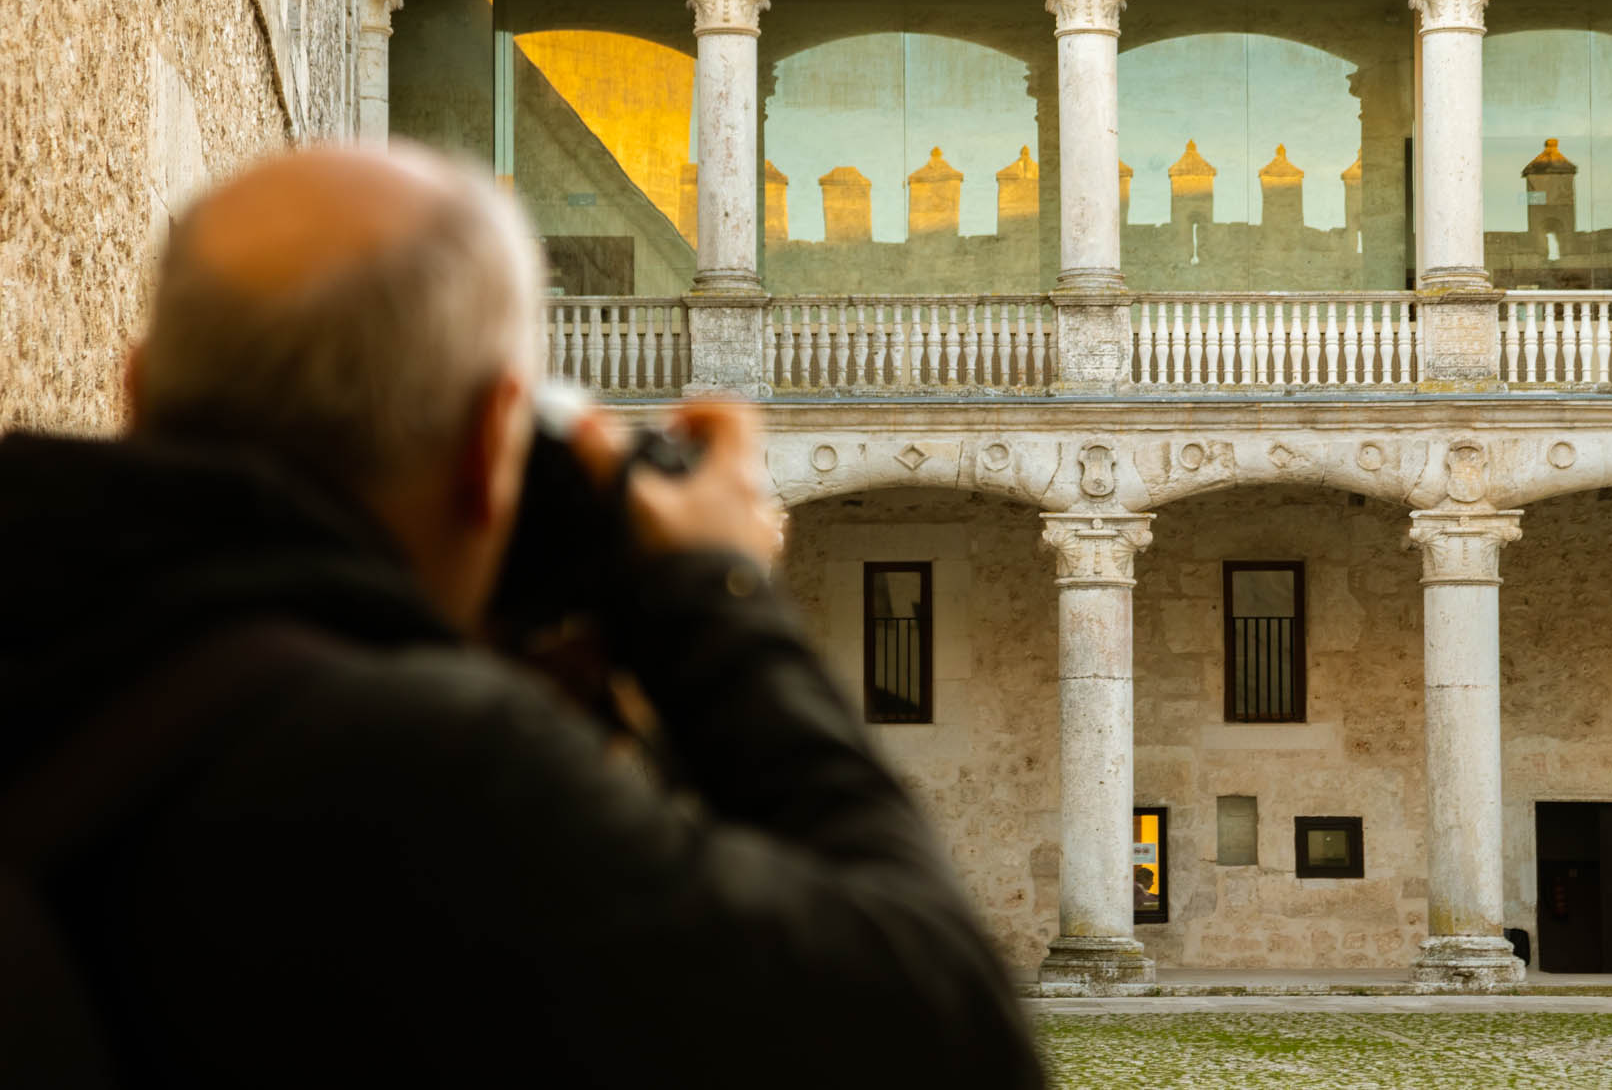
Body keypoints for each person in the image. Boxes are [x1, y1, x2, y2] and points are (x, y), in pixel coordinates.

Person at [0, 144, 1045, 1087]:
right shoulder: (431, 770)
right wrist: (713, 595)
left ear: (133, 391)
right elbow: (948, 1037)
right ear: (491, 440)